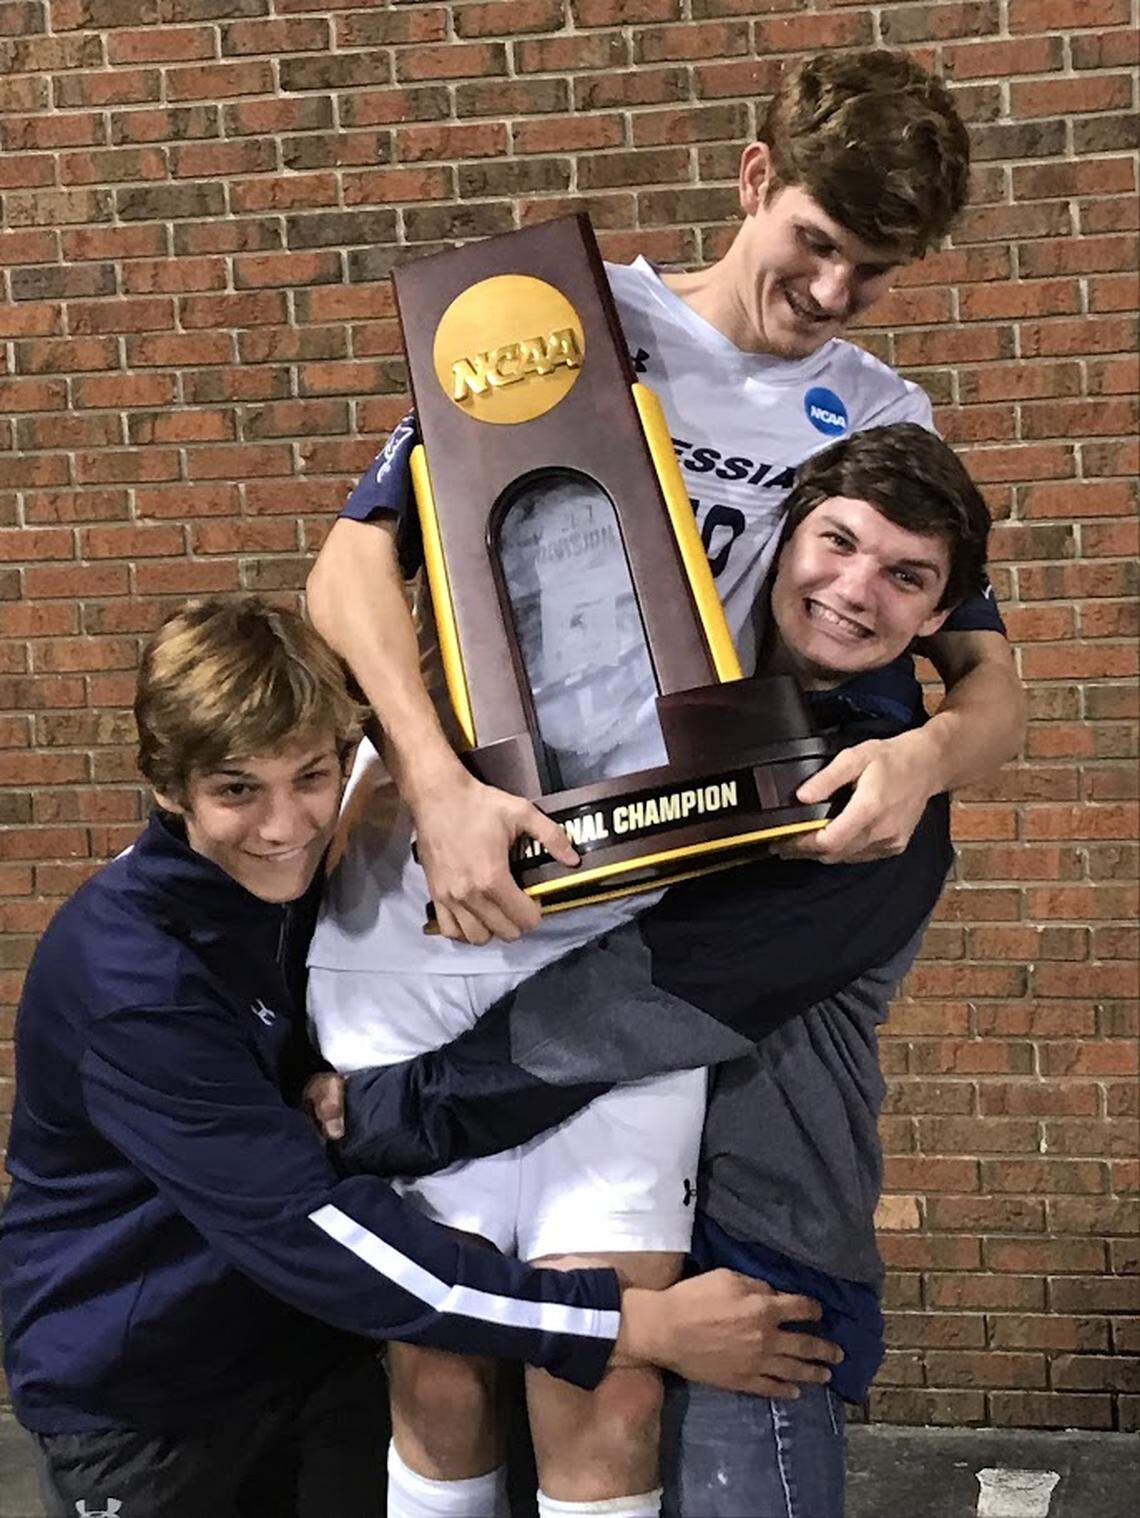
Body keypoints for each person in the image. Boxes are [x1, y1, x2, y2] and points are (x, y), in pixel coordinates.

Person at [305, 49, 1025, 1518]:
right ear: (755, 180)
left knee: (602, 1376)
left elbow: (992, 680)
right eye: (815, 243)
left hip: (643, 898)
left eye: (872, 272)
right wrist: (435, 783)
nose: (830, 294)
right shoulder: (570, 317)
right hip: (451, 871)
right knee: (435, 1359)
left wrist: (926, 749)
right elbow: (351, 560)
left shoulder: (886, 417)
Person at [0, 598, 841, 1518]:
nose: (286, 824)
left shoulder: (286, 887)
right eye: (238, 790)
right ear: (169, 787)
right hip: (149, 1405)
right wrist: (628, 1325)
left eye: (311, 776)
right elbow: (307, 1229)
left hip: (312, 1365)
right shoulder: (132, 979)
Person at [333, 421, 994, 1517]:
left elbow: (636, 999)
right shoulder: (666, 700)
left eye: (905, 576)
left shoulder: (878, 806)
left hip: (741, 1260)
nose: (854, 587)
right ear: (785, 541)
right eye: (837, 543)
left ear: (938, 620)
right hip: (551, 1206)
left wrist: (387, 1113)